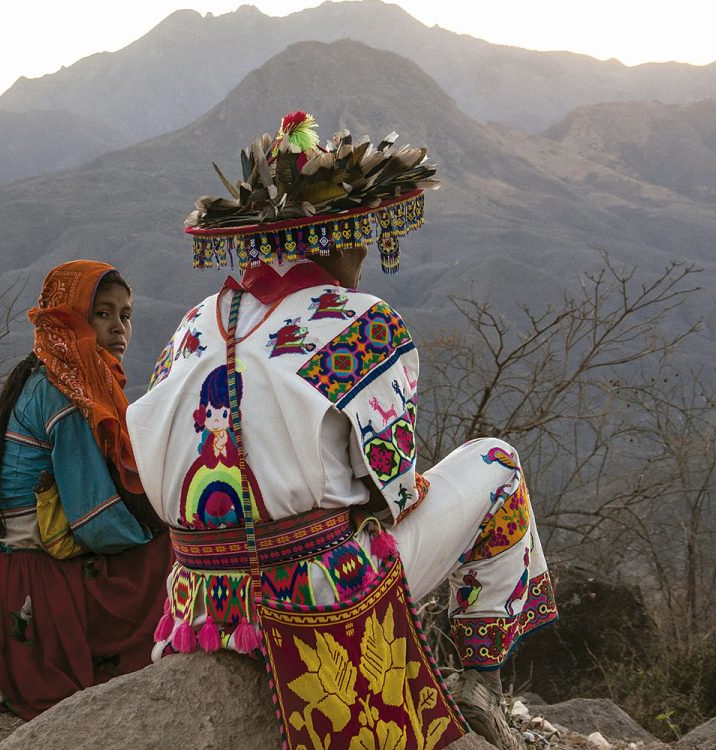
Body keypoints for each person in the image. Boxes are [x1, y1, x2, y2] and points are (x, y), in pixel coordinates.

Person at [127, 113, 558, 749]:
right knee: (495, 463)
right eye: (360, 237)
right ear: (338, 237)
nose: (364, 254)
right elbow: (397, 493)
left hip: (202, 597)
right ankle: (480, 688)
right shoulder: (362, 324)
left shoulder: (193, 323)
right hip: (312, 591)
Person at [0, 260, 171, 720]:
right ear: (69, 318)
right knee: (169, 550)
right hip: (25, 577)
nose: (119, 326)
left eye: (125, 314)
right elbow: (96, 522)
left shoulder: (44, 372)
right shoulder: (66, 393)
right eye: (102, 313)